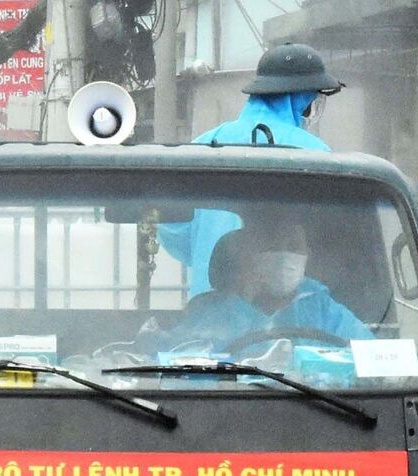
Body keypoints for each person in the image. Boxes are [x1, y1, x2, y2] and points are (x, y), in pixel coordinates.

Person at [164, 43, 344, 296]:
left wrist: (210, 253)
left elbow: (172, 229)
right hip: (294, 314)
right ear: (302, 100)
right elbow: (330, 237)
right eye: (313, 98)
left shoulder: (203, 145)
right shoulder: (315, 155)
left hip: (212, 312)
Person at [158, 221, 372, 355]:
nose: (284, 255)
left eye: (293, 247)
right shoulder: (209, 309)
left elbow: (369, 355)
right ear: (253, 255)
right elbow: (175, 359)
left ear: (308, 255)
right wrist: (244, 298)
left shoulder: (322, 308)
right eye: (273, 247)